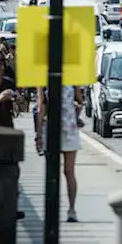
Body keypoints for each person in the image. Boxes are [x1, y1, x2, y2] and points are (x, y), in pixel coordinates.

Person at [34, 85, 85, 222]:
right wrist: (39, 133)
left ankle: (71, 209)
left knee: (68, 171)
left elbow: (80, 101)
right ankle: (56, 210)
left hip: (68, 128)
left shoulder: (72, 78)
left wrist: (77, 111)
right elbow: (41, 106)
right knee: (55, 172)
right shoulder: (44, 81)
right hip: (54, 129)